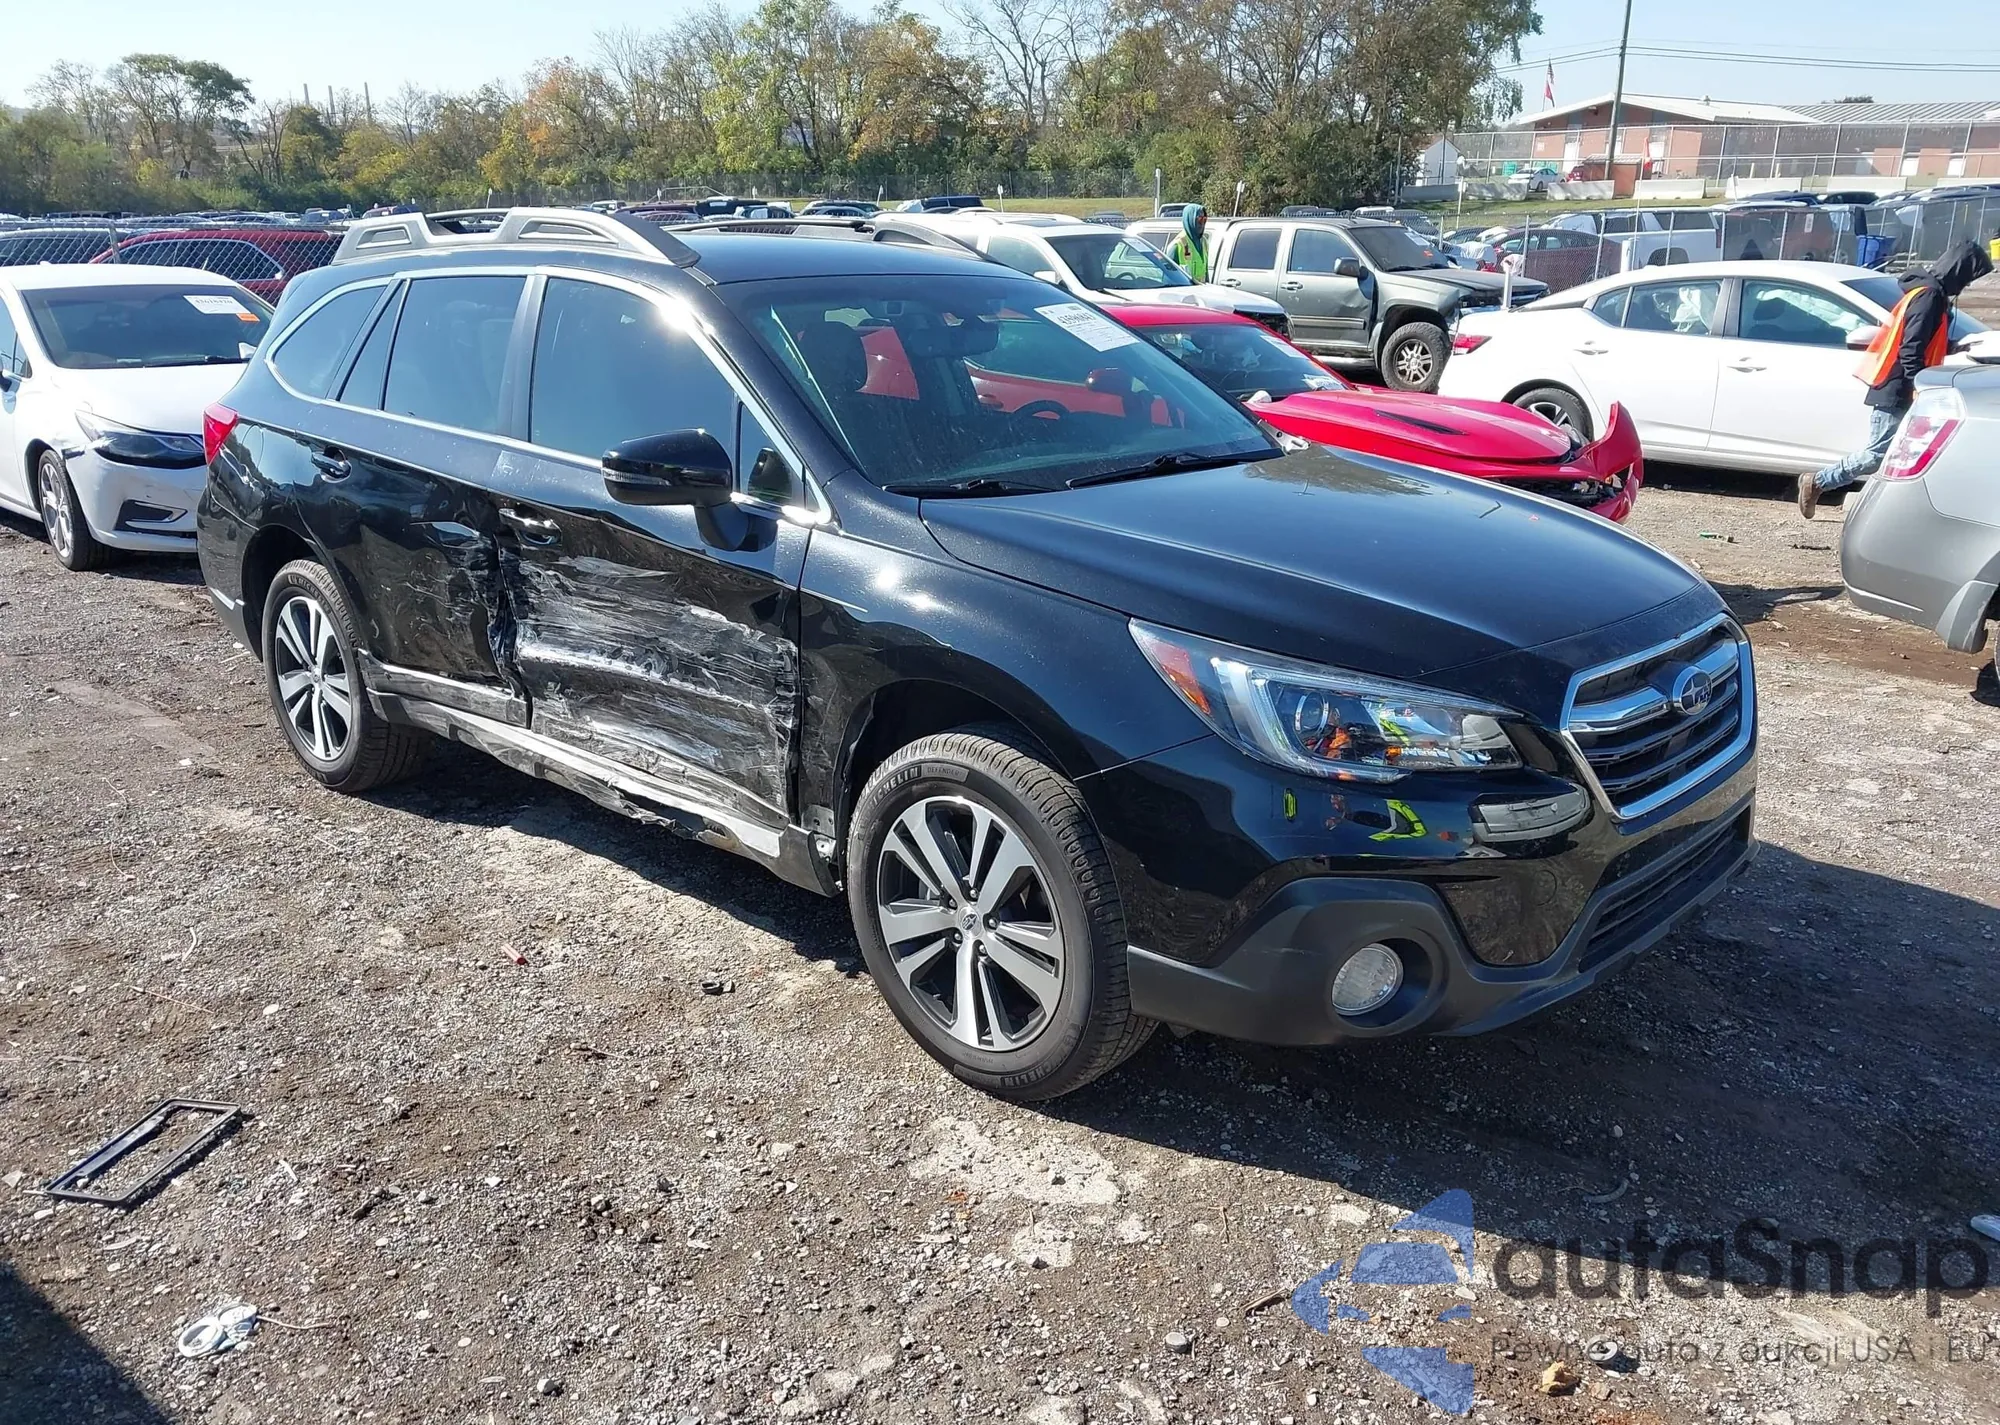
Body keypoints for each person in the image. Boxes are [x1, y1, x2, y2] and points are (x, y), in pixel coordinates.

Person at [1799, 240, 1994, 518]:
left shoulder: (1927, 293)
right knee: (1880, 454)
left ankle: (1895, 511)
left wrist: (1954, 346)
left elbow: (1922, 340)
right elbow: (1911, 347)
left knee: (1907, 454)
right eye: (1968, 279)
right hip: (1899, 387)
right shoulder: (1929, 297)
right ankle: (1819, 481)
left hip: (1901, 384)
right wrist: (1919, 385)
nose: (1967, 286)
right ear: (1959, 271)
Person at [1167, 204, 1209, 283]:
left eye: (1204, 219)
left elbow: (1205, 273)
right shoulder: (1178, 245)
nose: (1202, 224)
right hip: (1185, 290)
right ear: (1190, 220)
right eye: (1199, 219)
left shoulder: (1204, 242)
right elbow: (1170, 278)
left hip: (1202, 290)